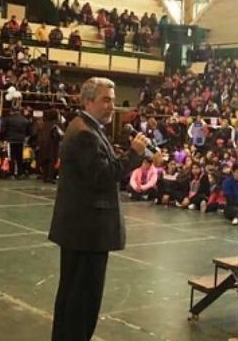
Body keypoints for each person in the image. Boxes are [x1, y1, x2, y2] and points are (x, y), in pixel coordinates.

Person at [49, 77, 148, 341]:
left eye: (112, 100)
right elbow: (103, 176)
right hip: (87, 232)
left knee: (73, 300)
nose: (111, 106)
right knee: (82, 304)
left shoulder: (87, 128)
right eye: (105, 100)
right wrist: (134, 154)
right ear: (88, 101)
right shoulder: (85, 133)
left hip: (82, 230)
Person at [0, 107, 30, 179]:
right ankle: (20, 173)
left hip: (11, 140)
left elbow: (3, 130)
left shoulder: (8, 119)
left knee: (11, 157)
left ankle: (12, 173)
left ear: (11, 111)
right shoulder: (25, 120)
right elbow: (28, 131)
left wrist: (3, 138)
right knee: (20, 157)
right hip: (21, 140)